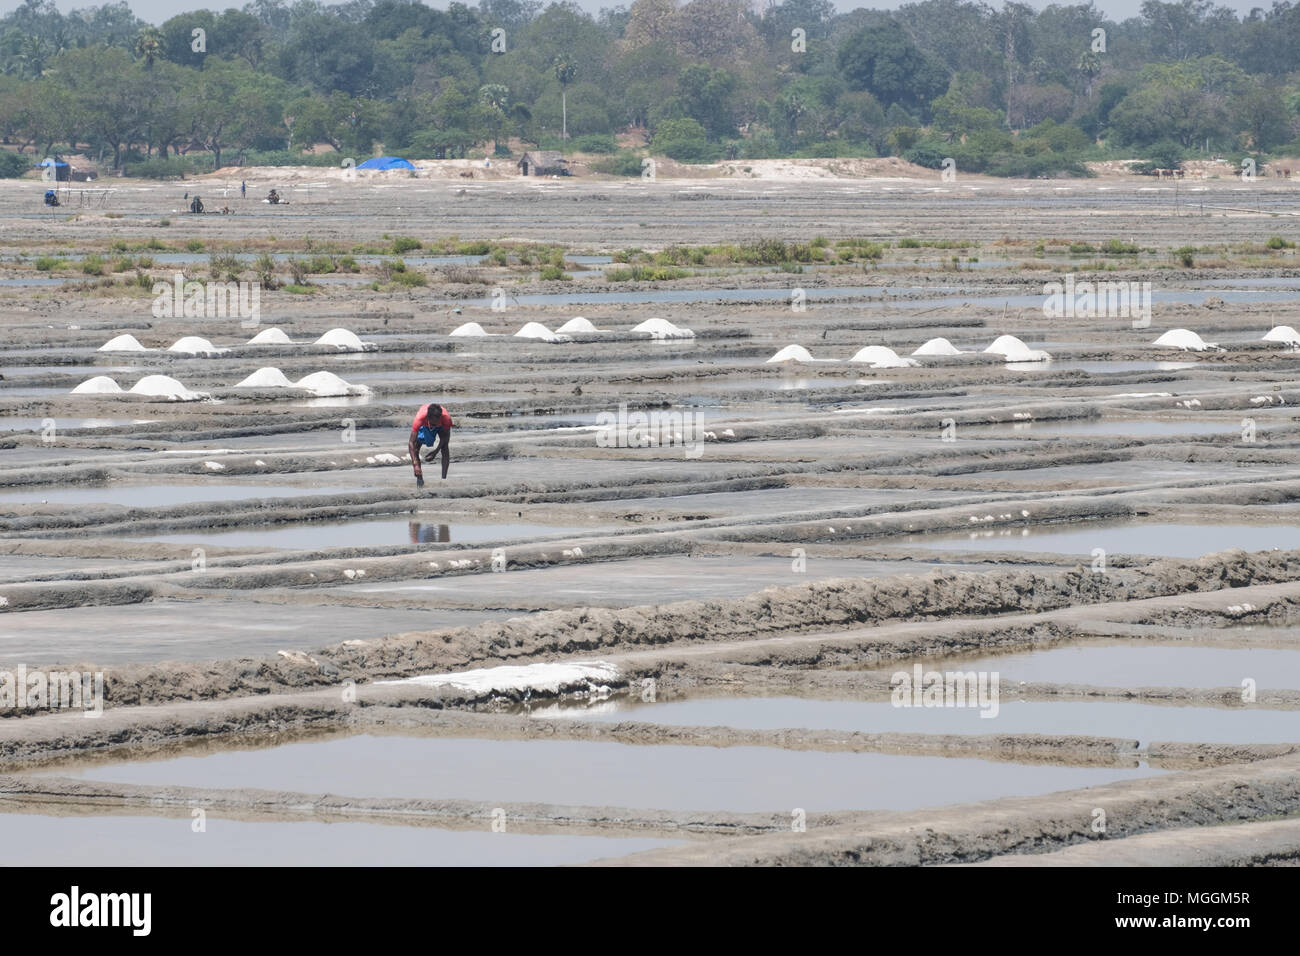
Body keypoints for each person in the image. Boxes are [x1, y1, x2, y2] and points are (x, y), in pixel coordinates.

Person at [409, 402, 452, 488]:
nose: (434, 426)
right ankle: (420, 479)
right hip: (425, 425)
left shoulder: (446, 418)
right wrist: (415, 464)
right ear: (428, 418)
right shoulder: (420, 418)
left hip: (441, 426)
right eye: (433, 424)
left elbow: (445, 439)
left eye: (436, 423)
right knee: (416, 447)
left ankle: (443, 480)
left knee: (445, 448)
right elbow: (411, 443)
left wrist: (435, 452)